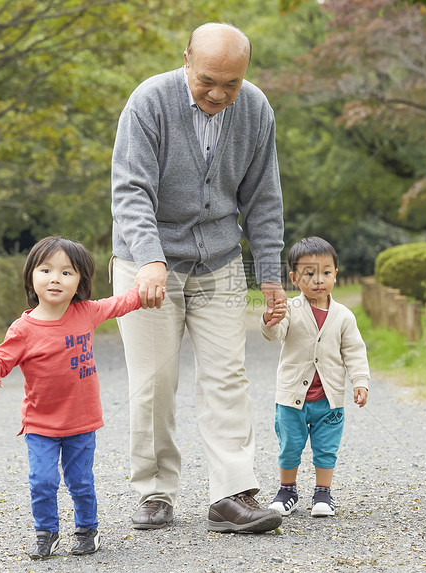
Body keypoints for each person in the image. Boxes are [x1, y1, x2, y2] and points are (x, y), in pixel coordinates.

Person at [110, 22, 286, 533]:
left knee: (228, 375)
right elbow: (130, 191)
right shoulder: (149, 102)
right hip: (147, 263)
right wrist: (149, 259)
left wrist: (271, 275)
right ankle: (154, 492)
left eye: (231, 83)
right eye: (208, 79)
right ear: (186, 58)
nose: (219, 93)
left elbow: (263, 199)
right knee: (154, 381)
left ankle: (231, 493)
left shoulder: (255, 109)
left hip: (220, 261)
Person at [0, 236, 142, 560]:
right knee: (42, 480)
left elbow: (121, 303)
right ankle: (46, 532)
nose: (55, 278)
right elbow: (0, 359)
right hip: (41, 424)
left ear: (80, 281)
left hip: (82, 422)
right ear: (31, 276)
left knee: (80, 481)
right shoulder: (22, 329)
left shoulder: (86, 313)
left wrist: (148, 289)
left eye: (67, 273)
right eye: (46, 270)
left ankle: (86, 530)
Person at [260, 236, 370, 517]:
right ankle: (287, 490)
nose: (318, 280)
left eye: (326, 272)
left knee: (326, 448)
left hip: (328, 400)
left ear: (336, 274)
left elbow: (354, 351)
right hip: (292, 397)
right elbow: (276, 333)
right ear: (295, 278)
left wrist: (360, 381)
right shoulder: (292, 310)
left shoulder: (343, 316)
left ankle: (323, 493)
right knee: (289, 446)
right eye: (309, 273)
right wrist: (270, 319)